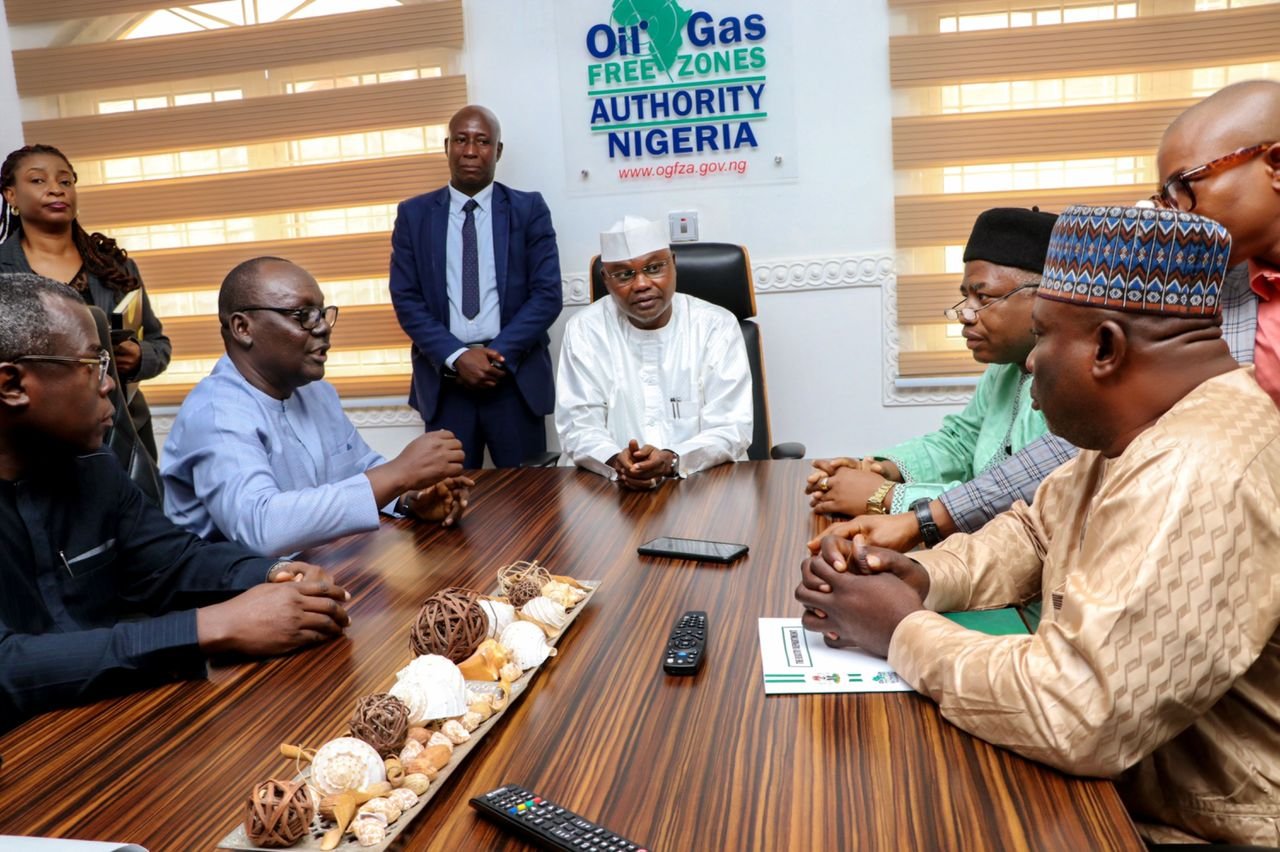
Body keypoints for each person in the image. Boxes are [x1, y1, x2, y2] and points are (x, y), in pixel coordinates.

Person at [797, 206, 1280, 846]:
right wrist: (919, 576)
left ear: (1105, 347)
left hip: (1192, 828)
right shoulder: (1151, 421)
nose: (1028, 365)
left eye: (1044, 336)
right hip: (1125, 787)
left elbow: (1077, 711)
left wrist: (899, 628)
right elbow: (1032, 532)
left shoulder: (1195, 466)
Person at [821, 78, 1278, 554]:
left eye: (1183, 184)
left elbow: (1076, 457)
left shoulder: (1181, 303)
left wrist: (899, 504)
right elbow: (1032, 484)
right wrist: (887, 476)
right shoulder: (1215, 282)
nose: (1167, 210)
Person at [0, 272, 352, 733]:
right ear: (11, 384)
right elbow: (9, 666)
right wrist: (209, 627)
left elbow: (175, 563)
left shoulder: (95, 469)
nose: (110, 385)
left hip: (113, 722)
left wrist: (274, 574)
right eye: (93, 364)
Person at [161, 257, 472, 557]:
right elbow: (262, 528)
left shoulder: (315, 391)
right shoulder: (216, 414)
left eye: (322, 313)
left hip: (315, 567)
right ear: (243, 328)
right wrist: (399, 473)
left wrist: (411, 497)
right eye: (304, 315)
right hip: (237, 588)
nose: (323, 327)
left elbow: (360, 468)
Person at [805, 208, 1056, 533]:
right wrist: (882, 469)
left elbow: (1026, 501)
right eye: (965, 297)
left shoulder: (1071, 381)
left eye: (982, 297)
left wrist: (887, 497)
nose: (965, 314)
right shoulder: (1005, 366)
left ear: (1043, 297)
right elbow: (961, 442)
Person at [389, 105, 563, 468]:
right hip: (446, 383)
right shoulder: (414, 215)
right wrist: (458, 356)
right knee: (450, 493)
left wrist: (497, 355)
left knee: (527, 495)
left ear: (497, 151)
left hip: (513, 381)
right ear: (447, 147)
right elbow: (406, 299)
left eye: (482, 141)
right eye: (461, 140)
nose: (470, 151)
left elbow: (547, 295)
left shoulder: (529, 209)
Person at [0, 144, 171, 460]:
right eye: (38, 180)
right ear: (11, 195)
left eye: (66, 181)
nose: (56, 189)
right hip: (32, 442)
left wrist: (138, 358)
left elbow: (159, 345)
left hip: (120, 435)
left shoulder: (115, 266)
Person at [555, 215, 752, 489]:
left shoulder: (716, 326)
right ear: (606, 280)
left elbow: (731, 427)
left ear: (674, 264)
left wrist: (672, 460)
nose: (641, 284)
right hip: (608, 487)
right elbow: (578, 426)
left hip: (702, 485)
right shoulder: (584, 329)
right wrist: (616, 461)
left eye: (654, 268)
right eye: (624, 274)